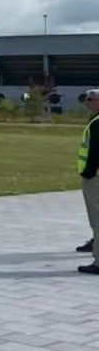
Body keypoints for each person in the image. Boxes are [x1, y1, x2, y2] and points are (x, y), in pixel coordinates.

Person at [77, 89, 99, 273]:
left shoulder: (97, 123)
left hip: (96, 178)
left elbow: (95, 152)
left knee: (97, 219)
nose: (87, 102)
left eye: (90, 99)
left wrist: (88, 173)